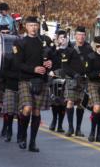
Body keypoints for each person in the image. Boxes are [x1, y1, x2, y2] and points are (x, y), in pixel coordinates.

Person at [14, 16, 53, 152]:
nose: (33, 28)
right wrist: (33, 69)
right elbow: (17, 63)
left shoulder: (44, 42)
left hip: (41, 80)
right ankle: (23, 135)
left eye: (35, 25)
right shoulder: (20, 43)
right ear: (26, 26)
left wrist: (50, 63)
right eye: (31, 25)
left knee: (36, 112)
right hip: (25, 79)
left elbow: (53, 58)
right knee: (27, 108)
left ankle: (32, 142)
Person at [62, 26, 93, 137]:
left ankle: (78, 129)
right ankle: (70, 127)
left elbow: (91, 63)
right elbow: (64, 66)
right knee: (70, 101)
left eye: (83, 35)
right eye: (79, 34)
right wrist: (74, 74)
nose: (81, 37)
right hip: (72, 79)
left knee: (80, 104)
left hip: (84, 80)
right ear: (75, 35)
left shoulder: (89, 48)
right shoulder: (69, 49)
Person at [87, 36, 100, 143]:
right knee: (97, 107)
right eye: (98, 46)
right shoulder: (91, 56)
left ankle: (99, 135)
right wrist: (99, 74)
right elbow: (88, 73)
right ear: (95, 46)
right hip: (93, 84)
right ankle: (92, 132)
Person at [48, 30, 68, 133]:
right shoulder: (53, 49)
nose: (62, 40)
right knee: (55, 101)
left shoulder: (70, 50)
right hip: (56, 76)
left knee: (63, 102)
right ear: (57, 39)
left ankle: (60, 124)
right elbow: (50, 59)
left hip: (66, 77)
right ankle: (54, 120)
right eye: (61, 38)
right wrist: (58, 48)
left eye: (64, 38)